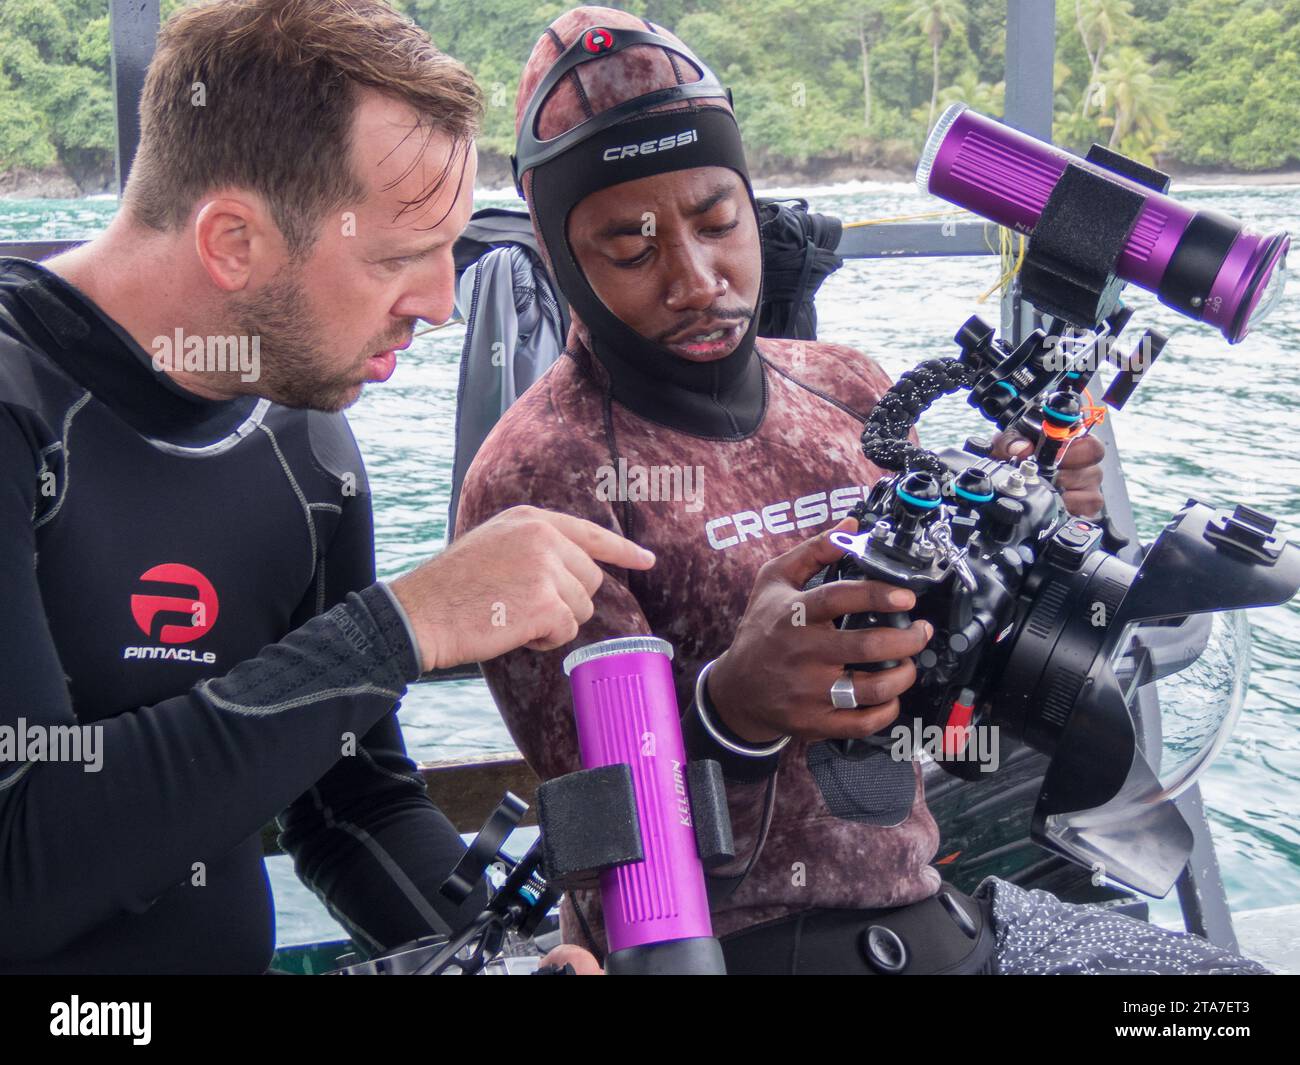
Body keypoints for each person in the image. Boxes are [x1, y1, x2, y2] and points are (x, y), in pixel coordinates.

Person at [455, 6, 1270, 975]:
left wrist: (1040, 525)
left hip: (937, 919)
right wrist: (731, 711)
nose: (697, 277)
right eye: (630, 253)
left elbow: (951, 702)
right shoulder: (537, 478)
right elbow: (606, 848)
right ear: (557, 256)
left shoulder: (843, 385)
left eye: (720, 221)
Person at [0, 0, 653, 974]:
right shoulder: (17, 413)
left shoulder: (304, 453)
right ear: (232, 242)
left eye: (452, 248)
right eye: (400, 257)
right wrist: (399, 628)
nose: (441, 301)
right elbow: (20, 864)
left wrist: (505, 950)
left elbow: (354, 805)